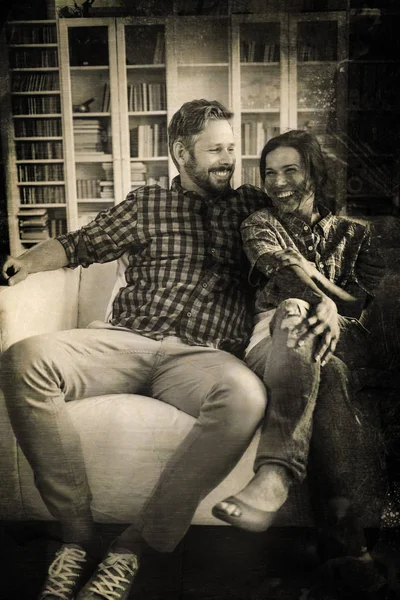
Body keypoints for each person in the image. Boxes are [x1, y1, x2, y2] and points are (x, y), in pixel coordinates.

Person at [0, 99, 270, 600]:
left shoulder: (254, 207)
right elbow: (82, 243)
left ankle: (132, 546)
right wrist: (26, 261)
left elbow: (302, 234)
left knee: (246, 397)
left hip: (204, 356)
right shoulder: (147, 203)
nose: (228, 159)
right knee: (24, 359)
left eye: (232, 148)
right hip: (125, 339)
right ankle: (76, 538)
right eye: (215, 150)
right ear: (180, 153)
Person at [212, 129, 393, 594]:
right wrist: (327, 301)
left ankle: (336, 544)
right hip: (269, 342)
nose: (278, 181)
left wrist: (334, 306)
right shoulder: (259, 223)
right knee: (295, 312)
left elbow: (365, 310)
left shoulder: (359, 234)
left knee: (329, 368)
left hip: (338, 348)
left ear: (314, 172)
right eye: (270, 172)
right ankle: (347, 547)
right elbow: (284, 272)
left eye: (291, 169)